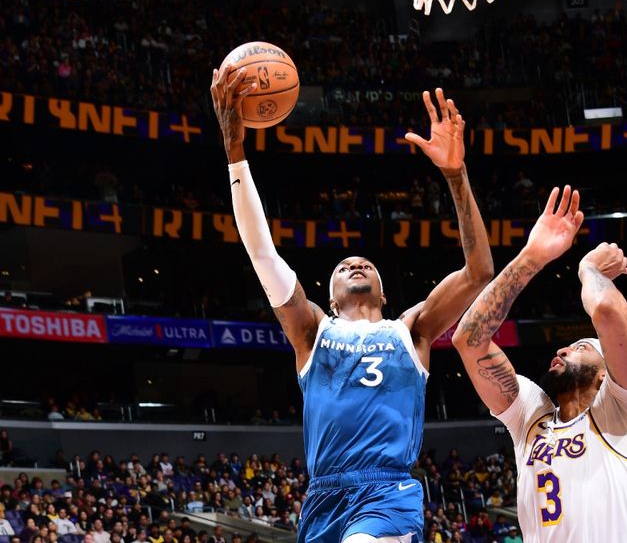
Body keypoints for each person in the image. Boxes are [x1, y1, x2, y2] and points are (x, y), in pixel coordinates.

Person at [211, 67, 493, 543]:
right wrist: (234, 150)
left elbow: (479, 271)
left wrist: (455, 174)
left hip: (386, 493)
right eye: (344, 265)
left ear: (384, 294)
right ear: (327, 295)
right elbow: (261, 251)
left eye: (365, 264)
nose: (356, 263)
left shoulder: (412, 330)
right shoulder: (310, 331)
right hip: (323, 498)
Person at [451, 186, 627, 542]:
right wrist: (532, 256)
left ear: (605, 371)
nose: (562, 350)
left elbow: (607, 312)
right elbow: (467, 339)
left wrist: (589, 269)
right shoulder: (532, 414)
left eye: (578, 346)